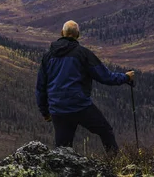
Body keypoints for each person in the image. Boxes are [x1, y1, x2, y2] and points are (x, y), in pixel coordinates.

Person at [35, 20, 134, 154]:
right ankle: (116, 164)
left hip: (58, 109)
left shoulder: (48, 56)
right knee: (105, 131)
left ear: (61, 33)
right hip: (79, 106)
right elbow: (106, 77)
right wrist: (126, 77)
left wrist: (45, 112)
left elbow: (41, 87)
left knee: (63, 150)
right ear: (78, 35)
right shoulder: (83, 54)